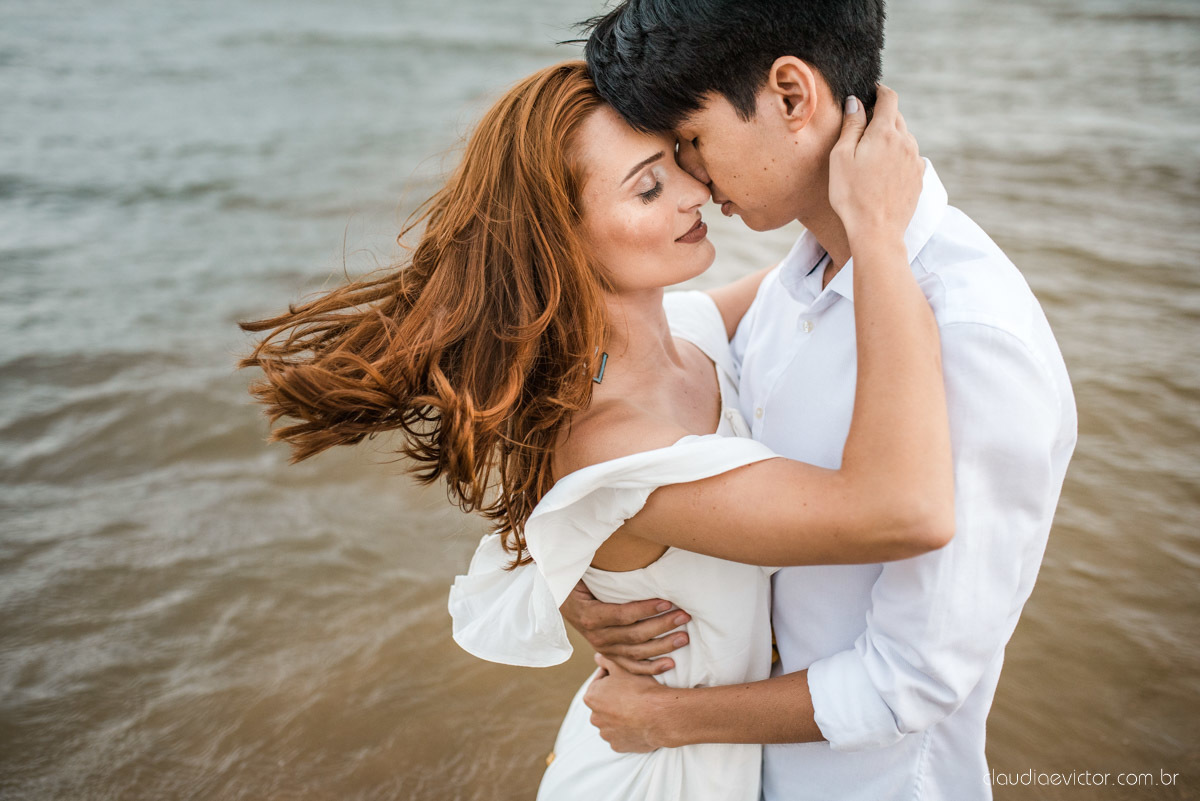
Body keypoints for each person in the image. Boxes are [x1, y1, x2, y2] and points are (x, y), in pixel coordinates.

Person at [240, 60, 944, 800]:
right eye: (648, 187)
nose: (697, 190)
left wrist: (843, 159)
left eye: (680, 159)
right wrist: (880, 231)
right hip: (648, 778)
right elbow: (899, 510)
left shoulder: (690, 334)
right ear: (562, 240)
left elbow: (811, 274)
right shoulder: (615, 445)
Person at [567, 3, 1079, 800]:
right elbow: (598, 415)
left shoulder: (977, 336)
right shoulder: (792, 286)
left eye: (693, 142)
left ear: (791, 97)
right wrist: (578, 568)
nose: (694, 180)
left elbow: (911, 679)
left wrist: (671, 717)